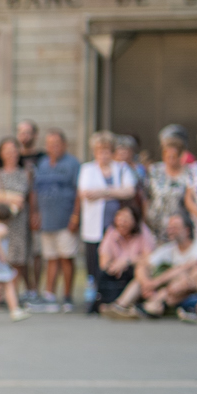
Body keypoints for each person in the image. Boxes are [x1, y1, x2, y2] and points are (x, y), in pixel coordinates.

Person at [76, 130, 139, 310]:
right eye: (99, 150)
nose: (103, 155)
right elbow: (86, 193)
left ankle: (114, 296)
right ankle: (94, 297)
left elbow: (129, 191)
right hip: (94, 225)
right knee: (94, 262)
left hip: (118, 225)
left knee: (116, 258)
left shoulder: (122, 168)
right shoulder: (87, 169)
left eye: (106, 150)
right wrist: (113, 191)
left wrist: (103, 192)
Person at [28, 128, 79, 307]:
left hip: (65, 219)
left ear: (64, 145)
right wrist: (35, 213)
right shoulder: (42, 164)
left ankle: (67, 297)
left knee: (66, 257)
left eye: (56, 144)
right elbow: (35, 190)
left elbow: (78, 192)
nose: (53, 147)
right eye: (50, 144)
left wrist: (75, 216)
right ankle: (49, 295)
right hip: (46, 220)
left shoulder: (73, 164)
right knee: (50, 258)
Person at [0, 139, 34, 282]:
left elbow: (30, 197)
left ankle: (13, 291)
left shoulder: (26, 173)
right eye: (7, 150)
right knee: (1, 254)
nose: (11, 153)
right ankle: (0, 293)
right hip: (2, 220)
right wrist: (10, 200)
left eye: (14, 150)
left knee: (19, 257)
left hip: (20, 220)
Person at [89, 205, 154, 319]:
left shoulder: (143, 232)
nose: (122, 223)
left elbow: (150, 258)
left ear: (134, 220)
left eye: (126, 219)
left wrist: (127, 261)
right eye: (119, 219)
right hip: (118, 274)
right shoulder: (111, 232)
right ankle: (117, 304)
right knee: (103, 274)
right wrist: (113, 266)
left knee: (141, 271)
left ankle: (120, 305)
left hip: (138, 273)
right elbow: (104, 260)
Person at [142, 127, 192, 238]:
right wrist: (145, 219)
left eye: (173, 156)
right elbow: (146, 197)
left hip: (179, 227)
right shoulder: (154, 171)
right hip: (155, 226)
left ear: (180, 156)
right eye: (167, 156)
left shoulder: (189, 173)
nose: (170, 159)